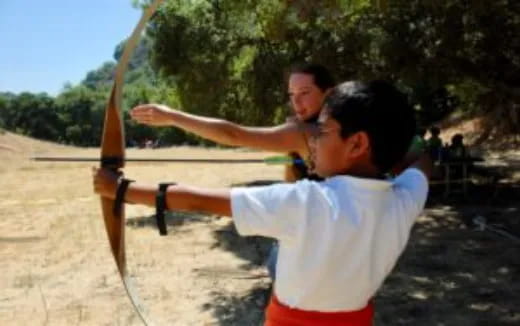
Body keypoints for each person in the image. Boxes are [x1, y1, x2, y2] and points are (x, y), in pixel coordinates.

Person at [94, 80, 431, 325]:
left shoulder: (306, 202)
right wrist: (394, 153)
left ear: (357, 144)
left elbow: (196, 200)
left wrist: (120, 190)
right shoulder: (404, 198)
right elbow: (422, 164)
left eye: (323, 132)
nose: (312, 140)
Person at [130, 63, 335, 280]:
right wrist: (293, 156)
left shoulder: (305, 131)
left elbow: (233, 135)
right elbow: (294, 186)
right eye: (292, 94)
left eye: (305, 93)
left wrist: (173, 117)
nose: (296, 102)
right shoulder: (341, 129)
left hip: (306, 246)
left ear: (328, 93)